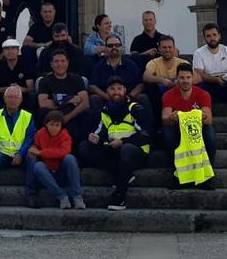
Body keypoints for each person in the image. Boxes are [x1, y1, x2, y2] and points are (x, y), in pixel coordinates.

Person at [77, 77, 150, 211]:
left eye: (119, 89)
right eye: (112, 89)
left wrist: (122, 142)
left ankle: (119, 195)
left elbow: (146, 135)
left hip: (136, 150)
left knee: (126, 149)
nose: (116, 92)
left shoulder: (136, 108)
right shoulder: (104, 112)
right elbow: (99, 133)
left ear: (125, 91)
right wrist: (94, 138)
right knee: (84, 147)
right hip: (113, 149)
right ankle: (123, 174)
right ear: (107, 92)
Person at [162, 63, 216, 189]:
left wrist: (201, 117)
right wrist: (172, 118)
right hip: (178, 129)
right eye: (182, 78)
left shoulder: (203, 94)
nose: (185, 81)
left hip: (197, 130)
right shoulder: (168, 95)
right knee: (166, 132)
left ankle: (206, 177)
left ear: (193, 78)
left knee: (210, 134)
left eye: (188, 77)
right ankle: (178, 175)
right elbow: (164, 118)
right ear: (176, 79)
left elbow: (208, 120)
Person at [0, 86, 35, 208]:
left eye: (16, 97)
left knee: (32, 160)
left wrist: (21, 154)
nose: (13, 100)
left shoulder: (27, 116)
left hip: (21, 152)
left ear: (21, 100)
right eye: (10, 97)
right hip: (1, 152)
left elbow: (30, 138)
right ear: (4, 99)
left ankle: (31, 195)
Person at [26, 111, 85, 210]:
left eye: (57, 125)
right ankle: (62, 196)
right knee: (38, 166)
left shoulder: (65, 136)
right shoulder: (40, 134)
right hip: (48, 173)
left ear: (61, 125)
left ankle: (77, 197)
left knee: (70, 159)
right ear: (46, 125)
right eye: (51, 125)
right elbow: (35, 146)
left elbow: (63, 152)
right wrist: (32, 149)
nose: (54, 128)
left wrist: (41, 153)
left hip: (62, 171)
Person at [36, 49, 90, 142]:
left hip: (72, 115)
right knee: (42, 112)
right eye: (56, 61)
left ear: (67, 63)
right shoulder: (44, 81)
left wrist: (66, 117)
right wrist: (69, 99)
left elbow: (85, 103)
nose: (60, 64)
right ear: (51, 64)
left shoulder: (77, 79)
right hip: (52, 116)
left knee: (86, 114)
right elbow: (43, 103)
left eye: (63, 61)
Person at [89, 37, 148, 119]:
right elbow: (92, 86)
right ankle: (96, 130)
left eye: (117, 45)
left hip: (128, 100)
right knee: (94, 99)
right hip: (106, 100)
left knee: (143, 98)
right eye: (110, 46)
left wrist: (130, 96)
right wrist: (106, 96)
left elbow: (140, 85)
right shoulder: (99, 66)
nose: (114, 48)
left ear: (121, 47)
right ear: (105, 49)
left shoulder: (131, 65)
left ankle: (146, 130)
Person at [142, 35, 186, 119]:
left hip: (179, 91)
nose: (167, 50)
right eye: (164, 47)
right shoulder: (153, 63)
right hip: (160, 93)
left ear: (174, 48)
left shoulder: (182, 63)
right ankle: (157, 123)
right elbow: (146, 76)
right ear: (159, 49)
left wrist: (180, 81)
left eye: (170, 47)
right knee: (149, 85)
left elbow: (195, 77)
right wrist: (162, 80)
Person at [0, 39, 33, 111]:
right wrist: (9, 89)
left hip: (22, 95)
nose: (10, 51)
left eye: (13, 48)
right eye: (7, 49)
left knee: (32, 96)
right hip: (4, 94)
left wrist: (21, 89)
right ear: (3, 51)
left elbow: (30, 88)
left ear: (18, 50)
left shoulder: (26, 64)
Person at [22, 2, 58, 68]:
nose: (47, 14)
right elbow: (26, 42)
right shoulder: (35, 26)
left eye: (50, 12)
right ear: (41, 13)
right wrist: (40, 45)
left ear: (54, 12)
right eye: (45, 12)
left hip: (55, 52)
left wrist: (52, 43)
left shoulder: (59, 26)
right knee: (26, 49)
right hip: (39, 52)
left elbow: (68, 39)